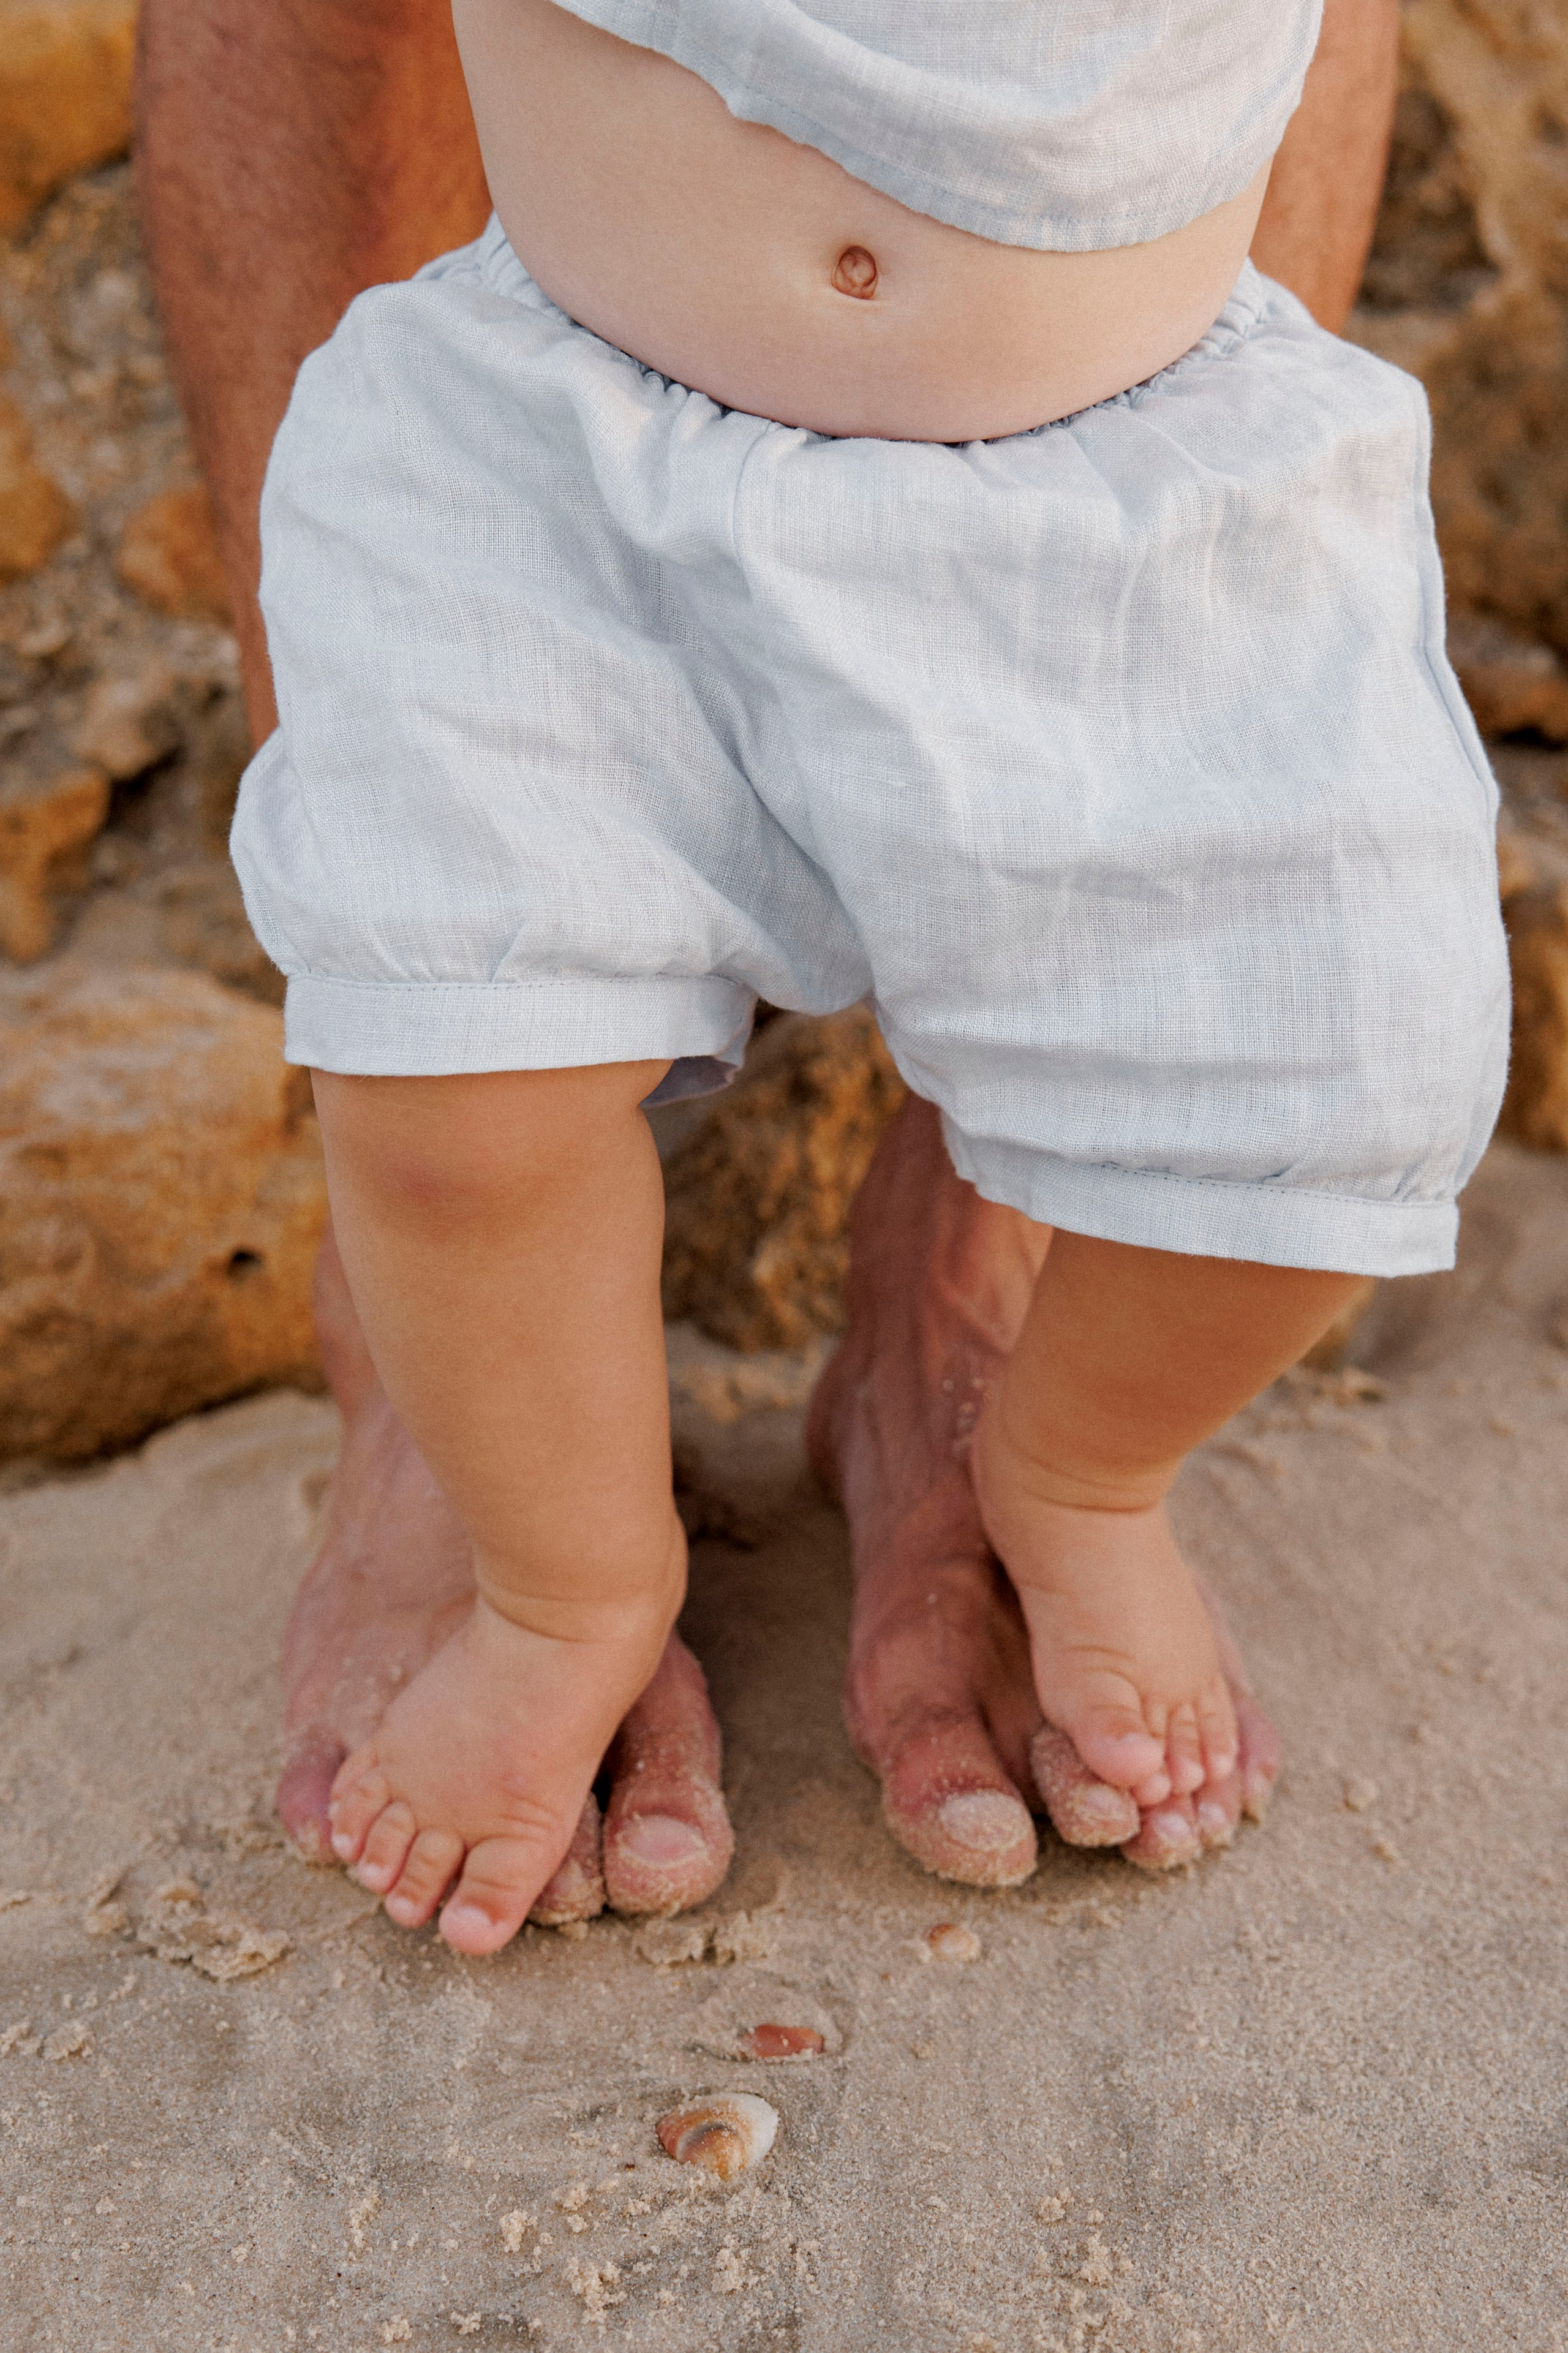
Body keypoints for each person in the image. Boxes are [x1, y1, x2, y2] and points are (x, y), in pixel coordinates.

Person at [135, 0, 1474, 1947]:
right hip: (563, 450)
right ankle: (559, 1575)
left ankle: (1079, 1472)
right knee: (449, 1090)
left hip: (1137, 487)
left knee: (1331, 1091)